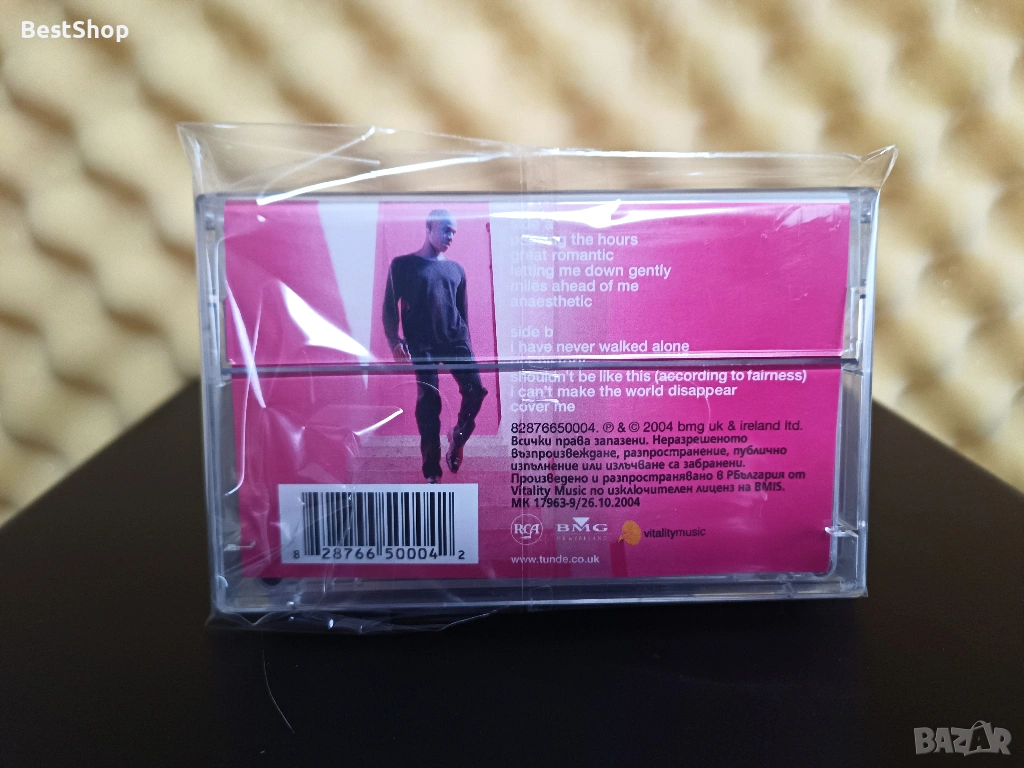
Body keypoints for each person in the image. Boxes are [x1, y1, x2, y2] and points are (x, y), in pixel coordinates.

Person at [382, 210, 488, 483]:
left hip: (455, 339)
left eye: (454, 232)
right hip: (422, 343)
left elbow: (462, 313)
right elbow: (389, 308)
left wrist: (467, 349)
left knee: (476, 391)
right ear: (429, 228)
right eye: (445, 230)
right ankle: (432, 471)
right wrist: (394, 340)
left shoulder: (456, 270)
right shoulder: (402, 265)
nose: (450, 236)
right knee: (429, 402)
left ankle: (458, 437)